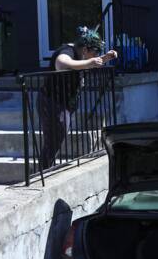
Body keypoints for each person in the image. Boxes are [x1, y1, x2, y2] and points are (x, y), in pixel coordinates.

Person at [38, 27, 117, 171]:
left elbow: (89, 63)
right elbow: (61, 64)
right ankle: (42, 172)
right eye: (95, 52)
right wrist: (90, 62)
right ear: (85, 49)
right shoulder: (67, 51)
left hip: (63, 102)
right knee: (54, 138)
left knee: (57, 137)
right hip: (51, 101)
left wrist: (105, 58)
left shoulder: (82, 56)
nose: (96, 55)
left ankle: (45, 168)